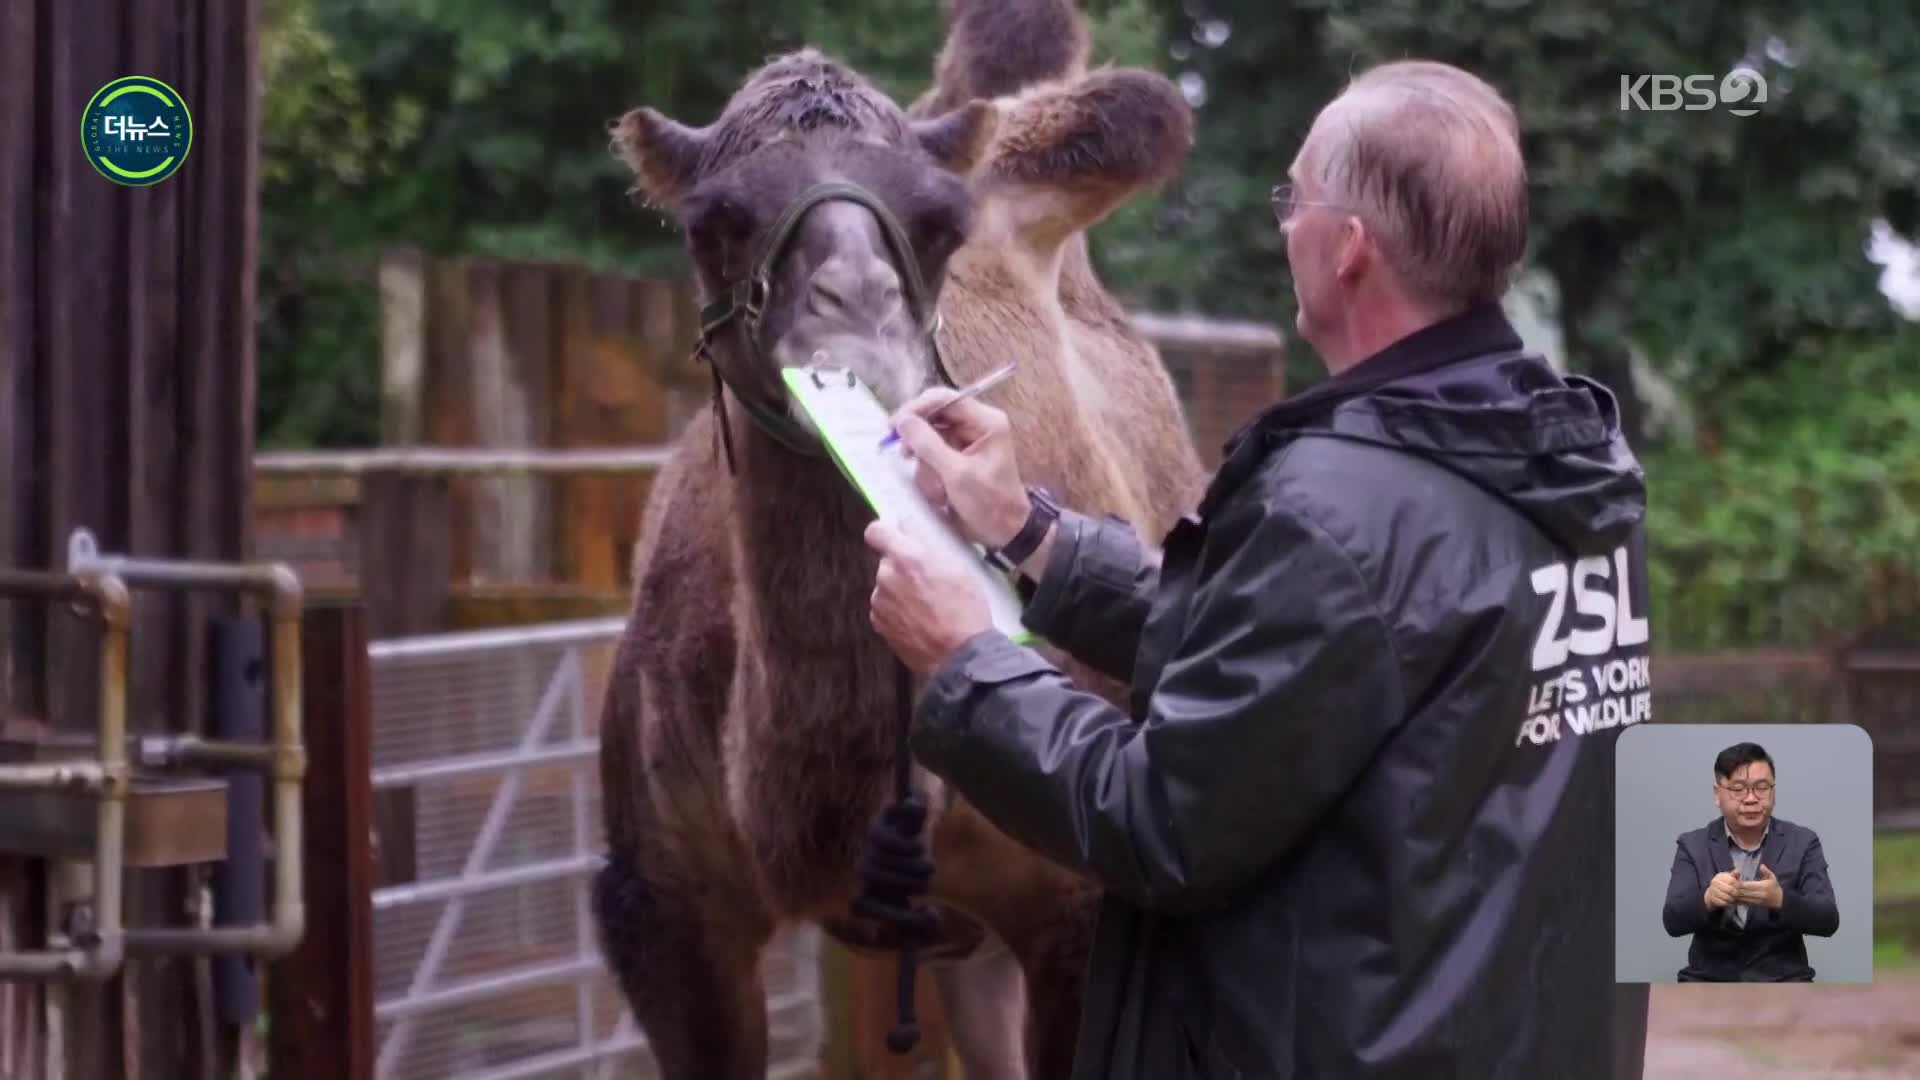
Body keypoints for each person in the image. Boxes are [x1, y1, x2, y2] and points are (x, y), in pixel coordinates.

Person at [862, 59, 1652, 1078]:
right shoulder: (1572, 469)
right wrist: (1029, 536)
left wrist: (967, 661)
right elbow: (1302, 671)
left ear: (1352, 248)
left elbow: (1156, 821)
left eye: (1294, 197)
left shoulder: (1336, 510)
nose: (1285, 226)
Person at [1660, 742, 1839, 981]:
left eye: (1762, 788)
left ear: (1773, 791)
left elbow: (1828, 919)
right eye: (1738, 789)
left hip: (1783, 981)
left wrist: (1781, 900)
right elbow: (1673, 920)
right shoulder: (1693, 845)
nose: (1751, 799)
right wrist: (1708, 898)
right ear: (1717, 794)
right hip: (1708, 981)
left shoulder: (1803, 842)